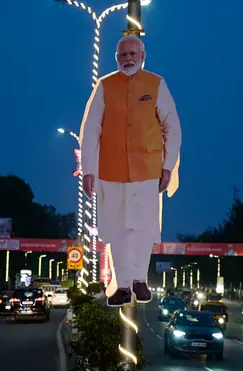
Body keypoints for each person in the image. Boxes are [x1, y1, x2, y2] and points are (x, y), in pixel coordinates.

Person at [80, 34, 182, 307]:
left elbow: (172, 127)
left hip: (148, 169)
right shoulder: (105, 86)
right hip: (110, 170)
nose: (128, 58)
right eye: (122, 55)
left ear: (142, 56)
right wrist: (88, 169)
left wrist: (168, 165)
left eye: (132, 54)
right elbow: (91, 130)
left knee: (143, 228)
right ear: (116, 58)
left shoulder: (156, 84)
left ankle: (140, 279)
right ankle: (123, 285)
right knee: (118, 229)